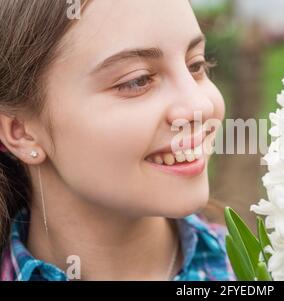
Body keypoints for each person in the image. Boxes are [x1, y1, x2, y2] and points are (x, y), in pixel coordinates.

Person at [0, 0, 234, 281]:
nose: (201, 106)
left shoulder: (266, 270)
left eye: (195, 65)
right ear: (21, 132)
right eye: (137, 80)